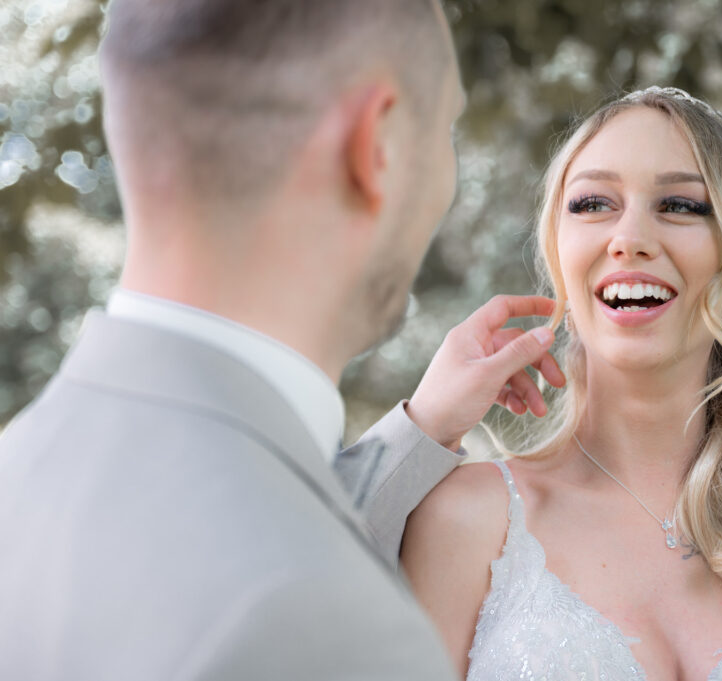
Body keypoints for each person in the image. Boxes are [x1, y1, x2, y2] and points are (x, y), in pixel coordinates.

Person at [0, 1, 564, 679]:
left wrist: (422, 428)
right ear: (376, 146)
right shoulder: (328, 625)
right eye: (444, 128)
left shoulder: (22, 472)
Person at [402, 87, 722, 681]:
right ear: (558, 255)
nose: (629, 238)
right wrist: (423, 427)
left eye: (680, 205)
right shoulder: (466, 519)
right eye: (592, 203)